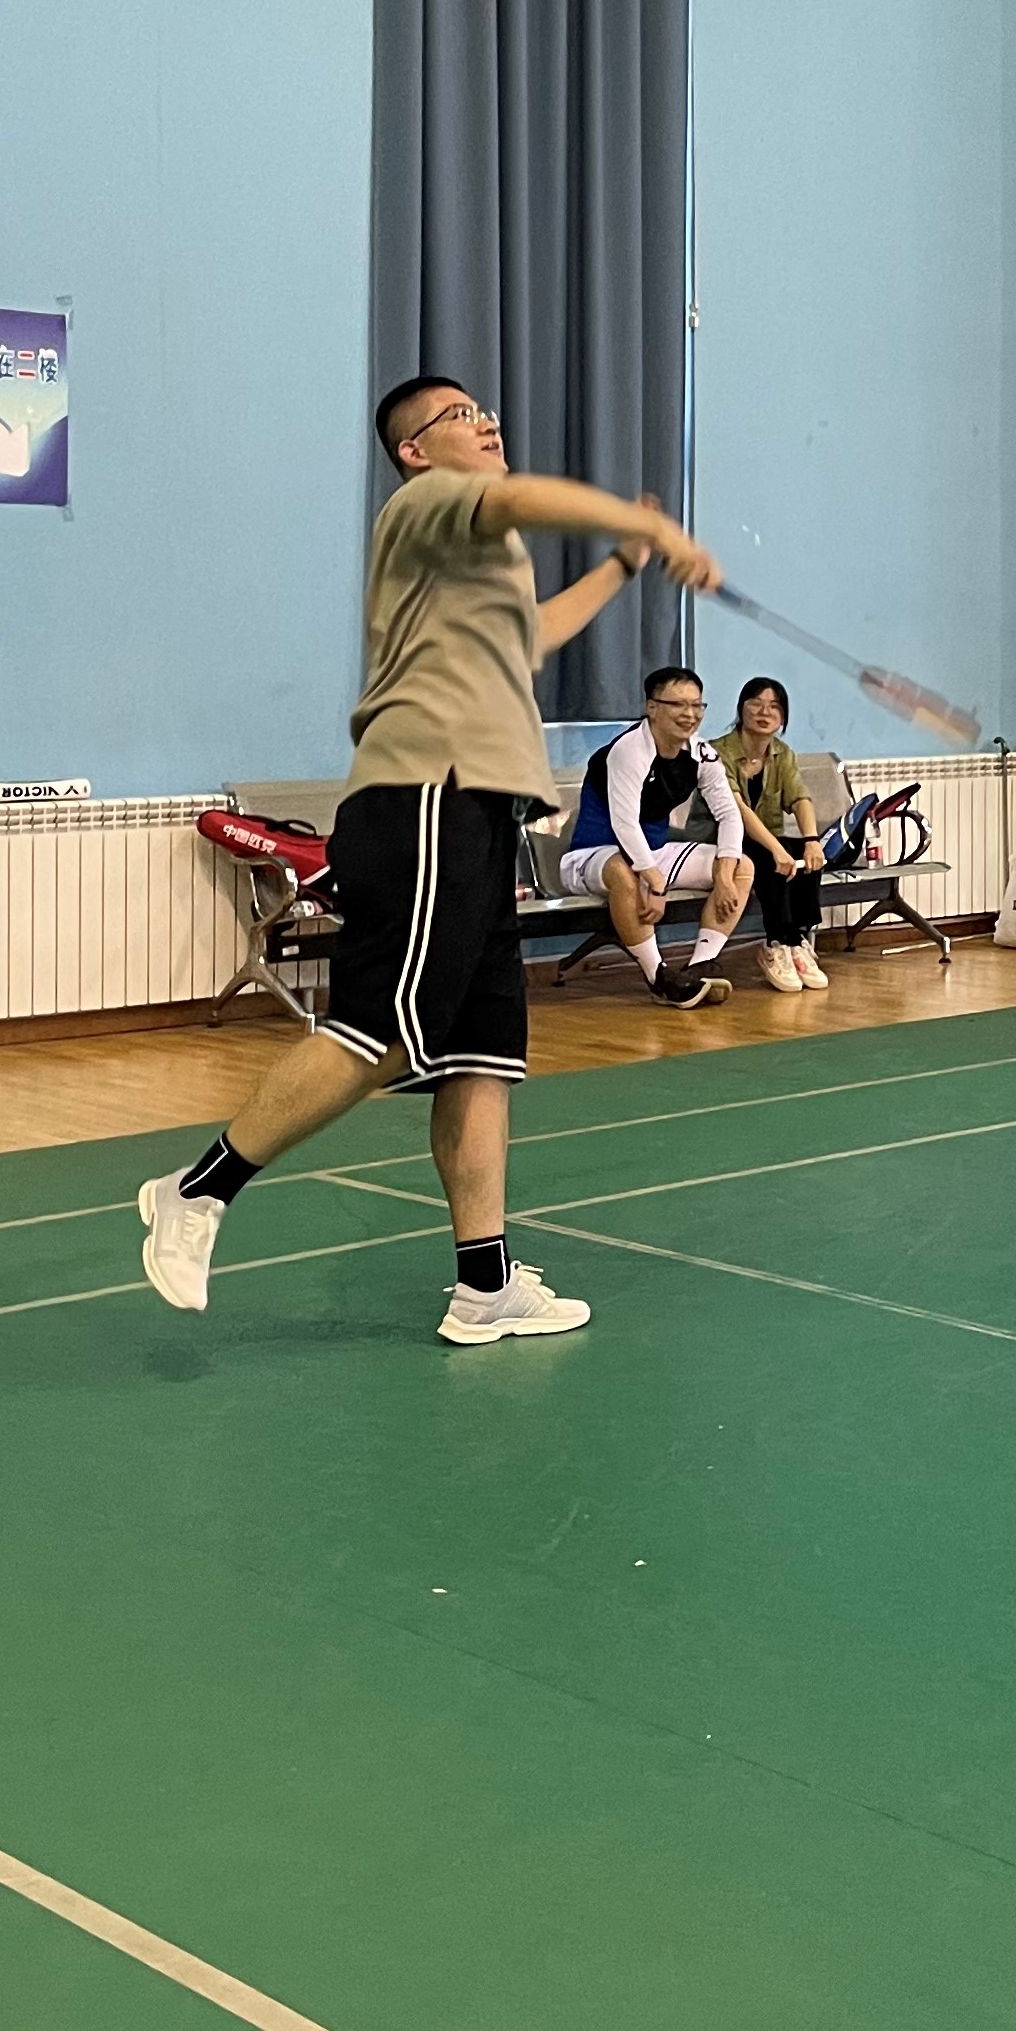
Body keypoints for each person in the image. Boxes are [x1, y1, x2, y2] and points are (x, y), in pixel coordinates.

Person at [132, 374, 719, 1345]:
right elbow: (520, 497)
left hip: (482, 810)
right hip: (425, 794)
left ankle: (484, 1286)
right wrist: (643, 520)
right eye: (461, 416)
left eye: (487, 411)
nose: (486, 422)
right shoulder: (425, 505)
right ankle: (197, 1190)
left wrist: (625, 561)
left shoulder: (475, 561)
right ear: (413, 450)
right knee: (384, 1029)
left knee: (483, 1059)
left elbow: (531, 636)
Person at [565, 667, 751, 1006]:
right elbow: (624, 824)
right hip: (591, 856)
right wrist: (654, 882)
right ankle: (659, 978)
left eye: (696, 705)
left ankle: (698, 968)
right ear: (652, 707)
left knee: (742, 867)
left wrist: (724, 876)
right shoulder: (629, 750)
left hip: (651, 853)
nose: (690, 714)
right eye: (678, 705)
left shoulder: (702, 755)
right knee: (622, 871)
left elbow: (729, 815)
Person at [717, 674, 834, 995]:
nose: (764, 712)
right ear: (741, 709)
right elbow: (738, 810)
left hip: (763, 839)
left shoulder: (783, 754)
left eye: (774, 706)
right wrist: (776, 849)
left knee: (804, 855)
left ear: (782, 717)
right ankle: (776, 943)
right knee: (773, 857)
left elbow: (799, 797)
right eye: (756, 704)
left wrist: (812, 841)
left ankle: (797, 941)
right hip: (723, 841)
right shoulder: (717, 752)